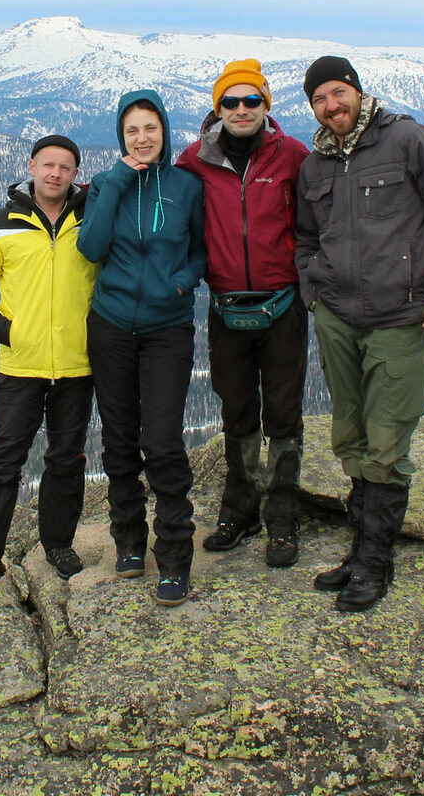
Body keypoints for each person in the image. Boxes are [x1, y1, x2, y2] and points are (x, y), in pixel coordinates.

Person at [294, 56, 424, 613]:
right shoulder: (314, 167)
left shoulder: (407, 141)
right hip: (338, 319)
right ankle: (360, 549)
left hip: (400, 318)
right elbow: (306, 238)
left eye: (337, 92)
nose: (332, 105)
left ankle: (376, 559)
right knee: (350, 436)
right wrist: (315, 293)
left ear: (355, 90)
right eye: (320, 99)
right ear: (313, 109)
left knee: (388, 438)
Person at [0, 134, 99, 604]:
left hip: (77, 364)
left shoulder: (90, 219)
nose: (55, 174)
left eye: (65, 167)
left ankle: (57, 545)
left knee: (66, 460)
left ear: (76, 174)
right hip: (20, 365)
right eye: (48, 165)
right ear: (31, 166)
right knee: (3, 464)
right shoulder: (3, 224)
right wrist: (5, 330)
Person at [175, 59, 311, 567]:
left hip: (283, 307)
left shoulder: (292, 155)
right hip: (226, 306)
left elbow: (318, 218)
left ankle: (281, 515)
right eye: (230, 101)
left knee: (283, 412)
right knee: (237, 411)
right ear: (217, 109)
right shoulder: (195, 162)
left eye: (251, 100)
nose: (240, 109)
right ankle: (240, 509)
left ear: (265, 105)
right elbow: (164, 200)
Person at [78, 90, 207, 607]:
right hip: (110, 325)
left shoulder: (186, 186)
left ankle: (174, 557)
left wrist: (180, 283)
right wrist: (116, 183)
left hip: (166, 327)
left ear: (164, 131)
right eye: (132, 130)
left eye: (150, 128)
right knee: (119, 439)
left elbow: (200, 249)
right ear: (120, 137)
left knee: (163, 440)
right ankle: (129, 542)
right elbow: (91, 246)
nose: (142, 138)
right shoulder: (108, 184)